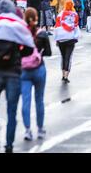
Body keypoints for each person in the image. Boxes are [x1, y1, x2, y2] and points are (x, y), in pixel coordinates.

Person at [0, 0, 35, 153]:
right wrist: (16, 55)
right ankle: (9, 145)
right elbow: (30, 48)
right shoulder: (17, 26)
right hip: (13, 72)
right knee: (11, 110)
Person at [21, 8, 52, 141]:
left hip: (24, 70)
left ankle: (27, 130)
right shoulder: (42, 34)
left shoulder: (20, 33)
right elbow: (49, 52)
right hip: (39, 68)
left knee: (25, 102)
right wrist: (38, 54)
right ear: (36, 18)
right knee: (39, 100)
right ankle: (40, 129)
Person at [54, 0, 80, 83]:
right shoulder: (75, 15)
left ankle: (62, 74)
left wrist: (56, 39)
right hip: (70, 38)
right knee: (68, 57)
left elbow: (57, 26)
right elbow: (76, 26)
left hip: (61, 38)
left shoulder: (60, 15)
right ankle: (66, 75)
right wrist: (76, 36)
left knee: (63, 56)